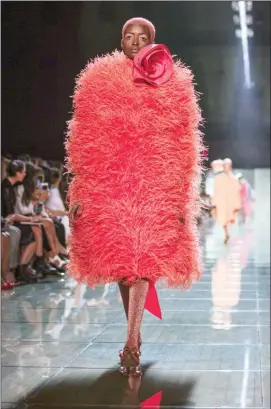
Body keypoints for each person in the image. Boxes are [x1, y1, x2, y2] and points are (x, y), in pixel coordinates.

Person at [66, 17, 203, 376]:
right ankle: (135, 334)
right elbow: (83, 139)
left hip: (155, 184)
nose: (136, 42)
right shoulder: (98, 79)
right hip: (110, 184)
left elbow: (185, 142)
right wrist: (79, 189)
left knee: (143, 259)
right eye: (130, 36)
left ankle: (130, 343)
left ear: (153, 41)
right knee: (123, 266)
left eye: (144, 37)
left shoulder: (175, 82)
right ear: (121, 39)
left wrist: (181, 197)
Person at [1, 160, 42, 282]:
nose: (24, 175)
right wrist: (30, 218)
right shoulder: (7, 187)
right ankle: (20, 269)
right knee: (31, 231)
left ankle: (23, 268)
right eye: (23, 172)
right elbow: (10, 214)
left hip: (10, 221)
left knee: (35, 230)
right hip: (7, 222)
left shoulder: (9, 186)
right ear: (18, 173)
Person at [211, 158, 241, 244]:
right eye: (225, 165)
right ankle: (226, 233)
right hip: (221, 202)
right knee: (222, 218)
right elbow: (216, 191)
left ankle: (227, 233)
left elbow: (236, 191)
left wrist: (237, 204)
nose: (226, 167)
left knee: (229, 218)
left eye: (228, 165)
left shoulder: (233, 178)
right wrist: (214, 205)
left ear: (230, 166)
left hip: (231, 202)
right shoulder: (219, 178)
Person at [45, 168, 70, 244]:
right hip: (57, 218)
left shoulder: (52, 191)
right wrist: (67, 213)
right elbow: (53, 212)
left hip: (58, 217)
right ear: (59, 179)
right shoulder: (52, 192)